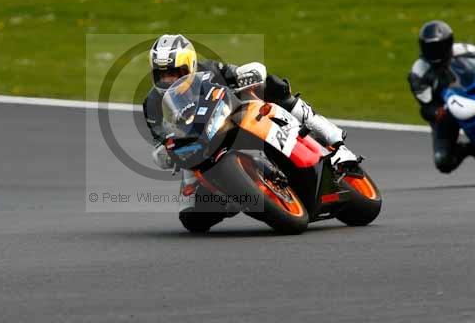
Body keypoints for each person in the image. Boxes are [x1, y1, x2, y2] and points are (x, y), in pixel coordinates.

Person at [143, 34, 358, 232]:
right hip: (196, 146)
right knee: (192, 219)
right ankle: (231, 197)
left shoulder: (210, 70)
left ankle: (336, 142)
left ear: (190, 65)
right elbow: (161, 139)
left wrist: (247, 75)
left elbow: (240, 74)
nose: (169, 79)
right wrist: (165, 152)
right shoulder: (152, 103)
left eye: (176, 72)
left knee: (274, 87)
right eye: (162, 74)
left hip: (231, 119)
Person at [408, 20, 475, 173]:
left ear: (448, 43)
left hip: (471, 95)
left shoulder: (466, 50)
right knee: (444, 161)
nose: (435, 52)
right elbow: (426, 107)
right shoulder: (418, 72)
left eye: (439, 47)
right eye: (430, 48)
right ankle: (469, 148)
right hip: (446, 113)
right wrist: (438, 112)